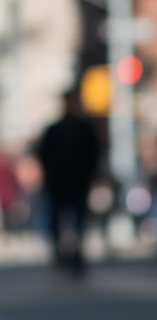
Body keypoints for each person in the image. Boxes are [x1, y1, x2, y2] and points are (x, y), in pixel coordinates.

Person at [37, 90, 100, 273]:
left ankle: (77, 255)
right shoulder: (54, 130)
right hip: (58, 182)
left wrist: (91, 175)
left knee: (79, 220)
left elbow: (93, 154)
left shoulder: (83, 129)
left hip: (79, 181)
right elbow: (43, 154)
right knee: (56, 219)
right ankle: (60, 255)